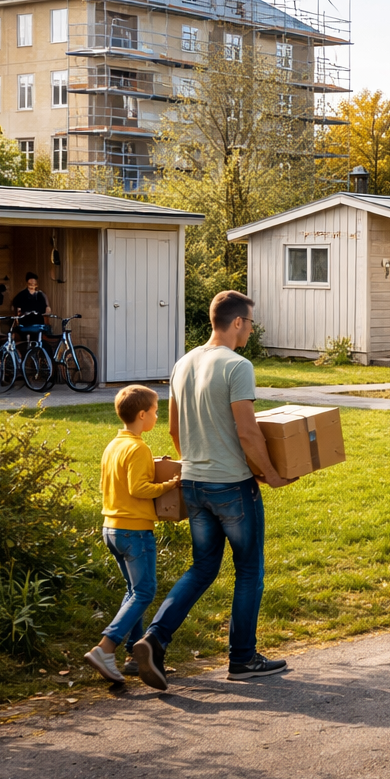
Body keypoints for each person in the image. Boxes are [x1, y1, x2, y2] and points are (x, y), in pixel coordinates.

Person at [132, 291, 296, 689]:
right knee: (249, 572)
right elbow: (246, 430)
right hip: (232, 487)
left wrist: (200, 462)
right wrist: (270, 474)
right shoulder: (238, 366)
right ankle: (242, 659)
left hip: (192, 482)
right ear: (237, 322)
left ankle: (154, 639)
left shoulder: (183, 363)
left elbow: (173, 430)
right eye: (251, 323)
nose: (252, 330)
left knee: (203, 566)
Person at [84, 385, 181, 684]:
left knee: (133, 593)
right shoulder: (139, 447)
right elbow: (139, 489)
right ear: (142, 414)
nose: (156, 416)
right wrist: (169, 485)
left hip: (111, 528)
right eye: (154, 411)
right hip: (135, 531)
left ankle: (132, 658)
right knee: (144, 592)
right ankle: (105, 647)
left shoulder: (114, 444)